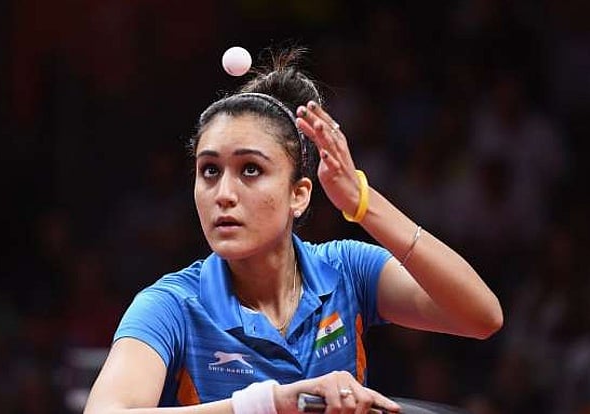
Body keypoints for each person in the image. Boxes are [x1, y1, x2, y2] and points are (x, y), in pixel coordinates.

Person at [83, 48, 503, 414]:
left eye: (251, 169)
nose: (223, 194)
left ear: (298, 195)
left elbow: (480, 317)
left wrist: (362, 202)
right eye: (209, 171)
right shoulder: (173, 306)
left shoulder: (346, 272)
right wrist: (267, 403)